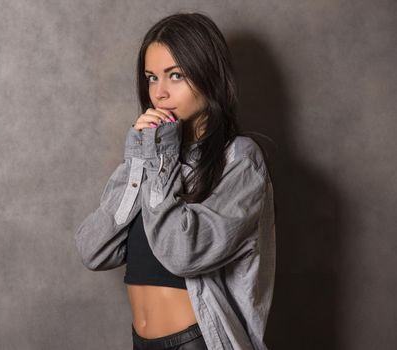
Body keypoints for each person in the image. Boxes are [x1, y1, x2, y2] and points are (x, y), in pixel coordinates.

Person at [74, 11, 276, 350]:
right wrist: (141, 158)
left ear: (209, 75)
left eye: (175, 75)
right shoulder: (154, 159)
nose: (160, 93)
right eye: (152, 78)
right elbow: (93, 250)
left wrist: (159, 158)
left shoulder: (240, 159)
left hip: (196, 342)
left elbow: (183, 254)